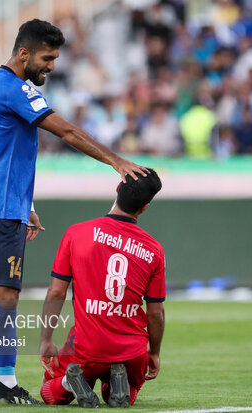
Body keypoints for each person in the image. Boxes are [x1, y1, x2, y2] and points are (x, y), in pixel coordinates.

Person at [0, 19, 148, 406]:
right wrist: (115, 161)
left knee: (6, 298)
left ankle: (6, 383)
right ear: (24, 54)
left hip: (0, 205)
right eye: (47, 57)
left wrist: (27, 205)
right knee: (1, 295)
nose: (52, 65)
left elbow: (7, 150)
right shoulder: (15, 89)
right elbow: (66, 132)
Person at [38, 169, 165, 408]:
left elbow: (56, 292)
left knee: (49, 392)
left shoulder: (77, 233)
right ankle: (119, 382)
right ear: (145, 207)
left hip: (87, 347)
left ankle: (68, 383)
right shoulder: (154, 250)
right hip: (132, 350)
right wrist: (154, 352)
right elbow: (156, 313)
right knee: (128, 393)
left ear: (117, 189)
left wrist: (46, 339)